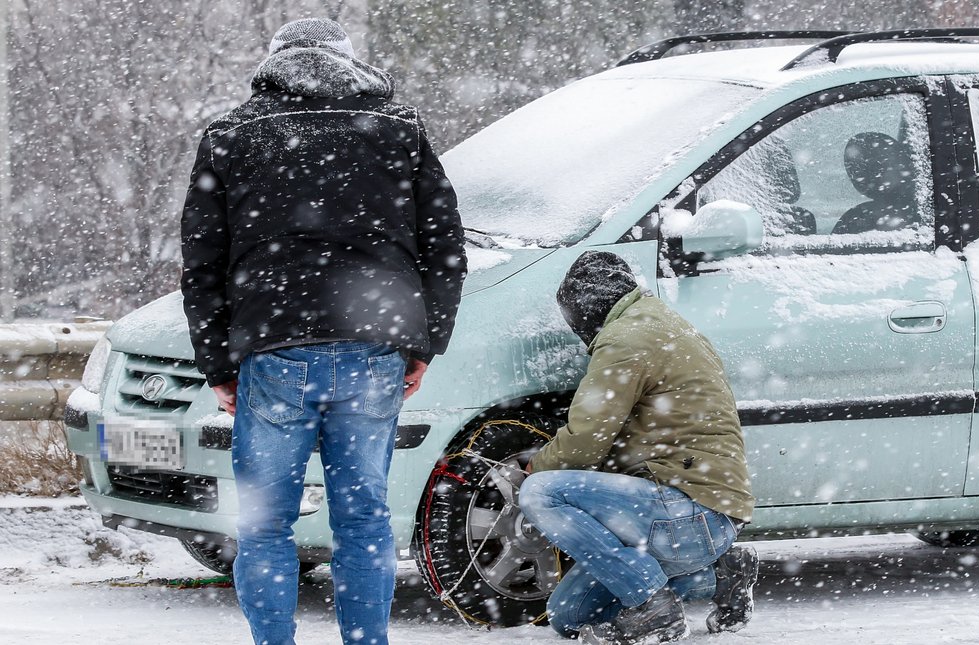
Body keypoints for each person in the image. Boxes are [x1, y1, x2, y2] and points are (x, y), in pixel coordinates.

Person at [179, 18, 465, 645]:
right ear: (349, 61)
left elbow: (202, 265)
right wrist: (423, 343)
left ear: (273, 62)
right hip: (373, 345)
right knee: (362, 518)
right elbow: (444, 246)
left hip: (272, 346)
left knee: (264, 526)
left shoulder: (231, 136)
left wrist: (218, 364)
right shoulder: (398, 130)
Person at [516, 250, 758, 644]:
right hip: (713, 514)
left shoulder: (626, 338)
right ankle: (719, 576)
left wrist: (535, 466)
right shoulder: (663, 323)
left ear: (585, 310)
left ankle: (652, 606)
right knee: (568, 616)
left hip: (685, 509)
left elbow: (584, 440)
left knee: (540, 492)